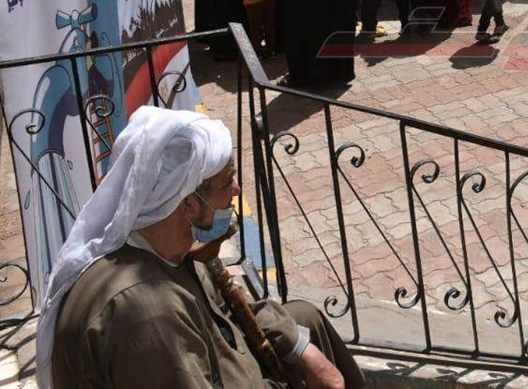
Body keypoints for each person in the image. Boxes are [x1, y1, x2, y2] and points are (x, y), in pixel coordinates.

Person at [37, 106, 365, 389]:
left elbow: (229, 308)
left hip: (224, 360)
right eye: (227, 181)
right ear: (189, 205)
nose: (236, 190)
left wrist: (301, 349)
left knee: (306, 319)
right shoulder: (148, 314)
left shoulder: (171, 245)